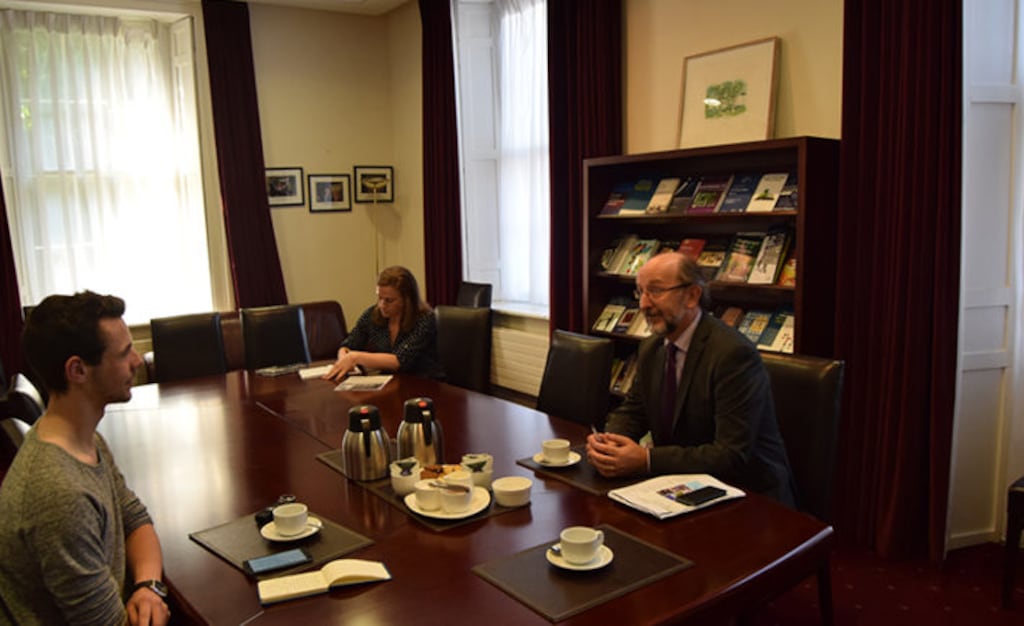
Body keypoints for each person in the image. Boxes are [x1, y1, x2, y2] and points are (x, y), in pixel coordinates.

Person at [0, 292, 170, 626]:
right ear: (78, 370)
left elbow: (135, 519)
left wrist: (149, 586)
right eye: (123, 354)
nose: (137, 361)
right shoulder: (58, 494)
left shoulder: (84, 438)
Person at [585, 252, 796, 506]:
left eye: (655, 291)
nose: (643, 304)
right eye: (640, 292)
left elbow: (730, 454)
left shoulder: (732, 354)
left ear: (692, 296)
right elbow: (634, 411)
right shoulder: (652, 347)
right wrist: (608, 445)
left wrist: (647, 460)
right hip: (681, 488)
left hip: (748, 495)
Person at [323, 266, 444, 381]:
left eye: (389, 300)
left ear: (406, 300)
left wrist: (355, 357)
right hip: (390, 382)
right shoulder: (372, 314)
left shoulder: (425, 319)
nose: (382, 305)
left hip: (423, 383)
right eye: (379, 298)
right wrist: (344, 358)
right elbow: (348, 345)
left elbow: (399, 361)